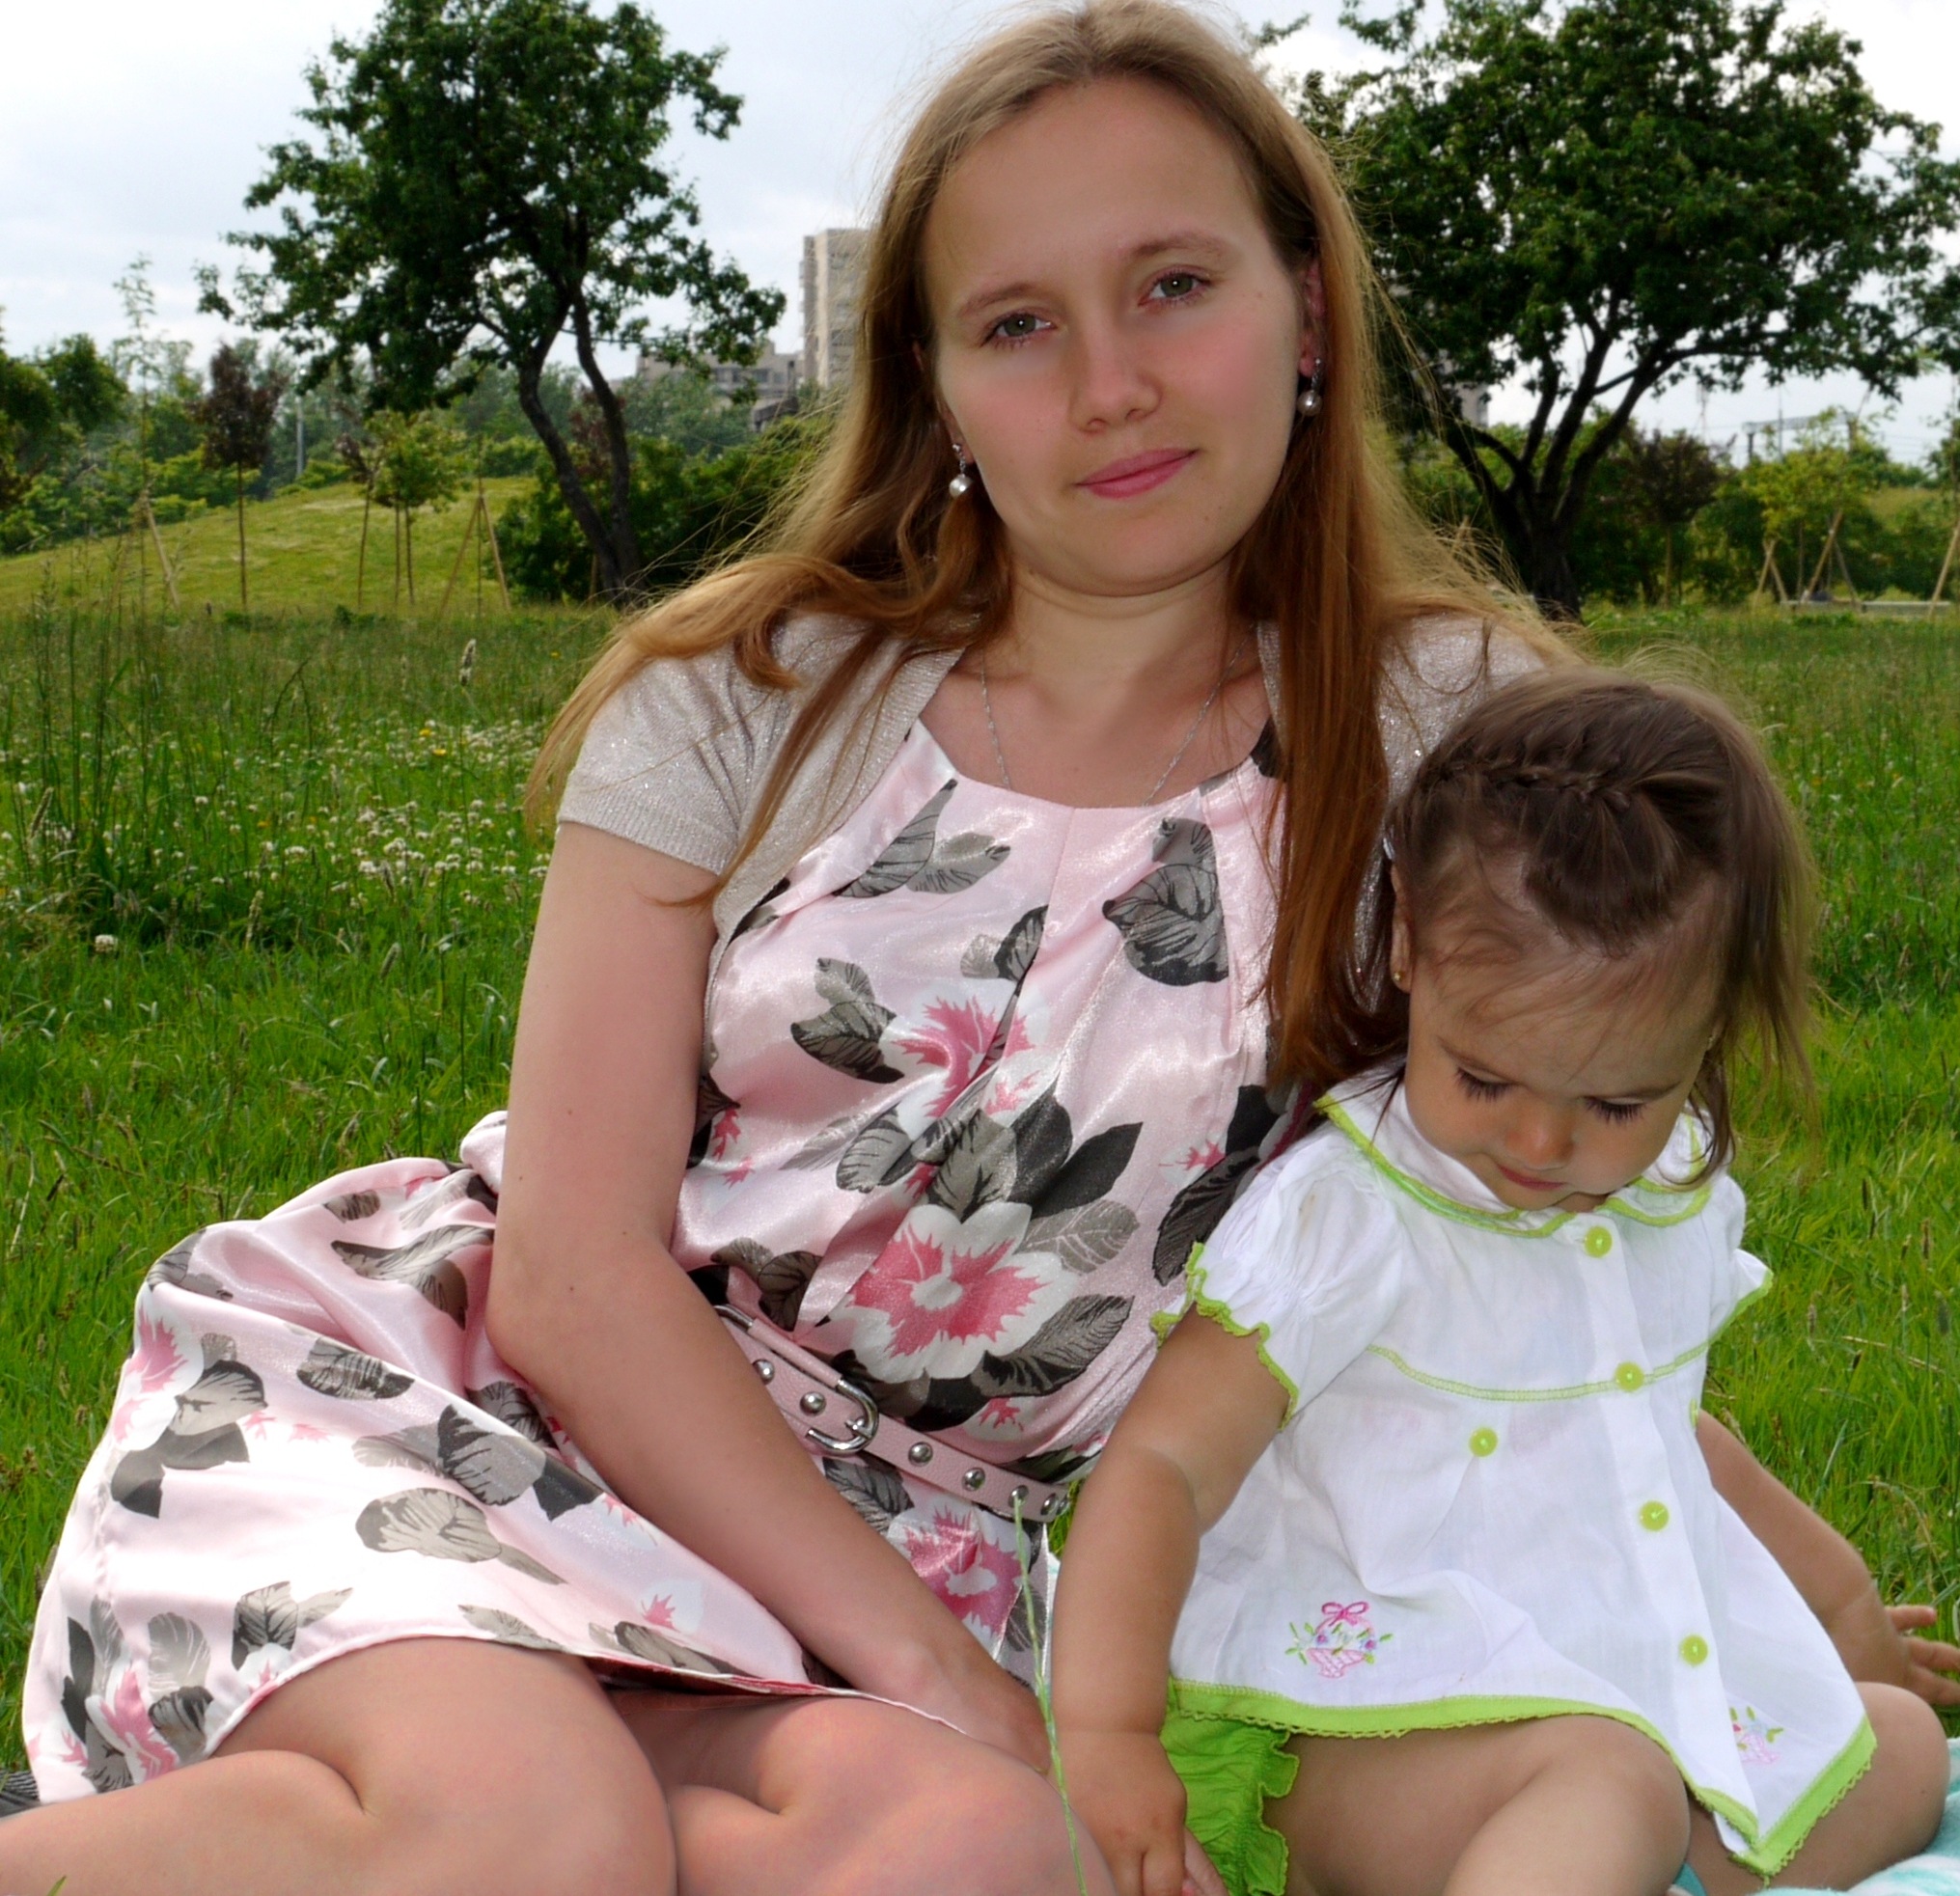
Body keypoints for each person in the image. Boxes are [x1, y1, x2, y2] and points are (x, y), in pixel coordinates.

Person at [3, 6, 1557, 1893]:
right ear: (934, 384)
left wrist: (1758, 1618)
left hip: (938, 1551)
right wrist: (928, 1669)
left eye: (1172, 286)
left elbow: (1561, 1228)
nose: (1111, 385)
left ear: (1304, 309)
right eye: (1017, 324)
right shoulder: (747, 697)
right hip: (486, 1410)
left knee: (972, 1849)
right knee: (535, 1832)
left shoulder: (1454, 744)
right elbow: (572, 1276)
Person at [1050, 668, 1960, 1896]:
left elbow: (1663, 1435)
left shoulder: (1665, 1191)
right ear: (1410, 948)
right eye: (1484, 1079)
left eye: (1616, 1103)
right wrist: (1107, 1732)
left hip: (1592, 1688)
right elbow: (1161, 1465)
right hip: (1357, 1722)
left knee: (1892, 1751)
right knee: (1608, 1785)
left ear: (1710, 1033)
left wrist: (1840, 1611)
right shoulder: (1350, 1216)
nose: (1539, 1146)